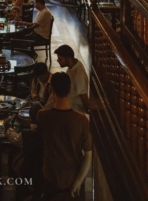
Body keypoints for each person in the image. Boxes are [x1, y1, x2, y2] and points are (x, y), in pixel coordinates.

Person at [37, 72, 92, 200]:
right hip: (74, 177)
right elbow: (88, 155)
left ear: (51, 89)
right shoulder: (82, 120)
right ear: (70, 89)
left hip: (50, 175)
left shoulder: (43, 116)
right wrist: (78, 182)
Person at [54, 44, 89, 113]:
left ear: (69, 59)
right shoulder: (74, 64)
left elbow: (83, 95)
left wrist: (87, 109)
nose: (58, 60)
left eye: (60, 59)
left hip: (75, 109)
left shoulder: (79, 75)